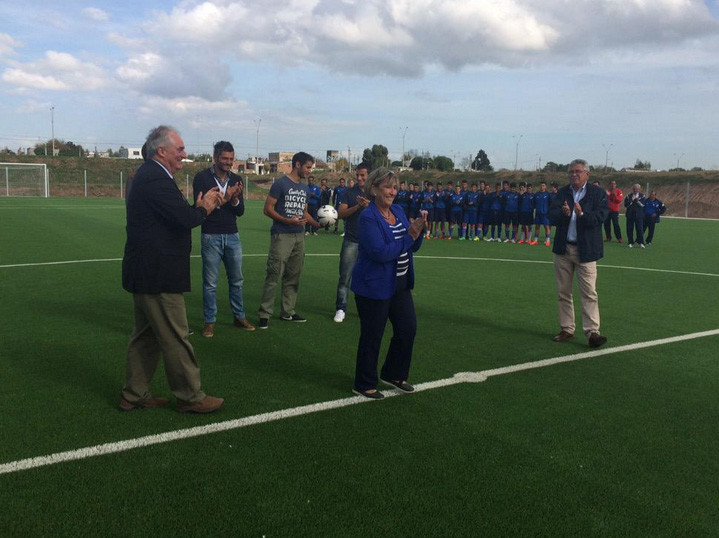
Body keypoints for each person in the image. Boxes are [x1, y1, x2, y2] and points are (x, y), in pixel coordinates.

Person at [121, 125, 225, 413]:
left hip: (146, 271)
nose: (184, 154)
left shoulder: (151, 175)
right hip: (158, 274)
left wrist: (199, 208)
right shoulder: (155, 177)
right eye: (179, 149)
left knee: (146, 338)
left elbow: (174, 217)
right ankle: (191, 397)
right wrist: (205, 207)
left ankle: (133, 395)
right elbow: (184, 219)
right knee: (176, 337)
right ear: (161, 150)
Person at [351, 167, 427, 399]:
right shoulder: (368, 217)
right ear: (373, 189)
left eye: (395, 187)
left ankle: (393, 373)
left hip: (400, 284)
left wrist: (419, 231)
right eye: (387, 187)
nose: (392, 191)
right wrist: (409, 236)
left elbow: (412, 246)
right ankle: (364, 383)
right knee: (372, 335)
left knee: (407, 329)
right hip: (374, 286)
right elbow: (380, 253)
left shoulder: (398, 210)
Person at [192, 141, 255, 338]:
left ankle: (239, 316)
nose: (229, 162)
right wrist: (226, 198)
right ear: (215, 158)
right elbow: (202, 209)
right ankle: (210, 321)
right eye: (225, 159)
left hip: (232, 235)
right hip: (210, 235)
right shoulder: (201, 178)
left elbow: (241, 211)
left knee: (237, 280)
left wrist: (235, 199)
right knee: (210, 283)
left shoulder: (236, 179)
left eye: (231, 159)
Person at [548, 159, 609, 349]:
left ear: (587, 174)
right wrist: (564, 214)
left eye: (578, 171)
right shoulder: (562, 193)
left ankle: (592, 333)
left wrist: (582, 215)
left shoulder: (597, 194)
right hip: (563, 249)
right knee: (563, 292)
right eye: (571, 172)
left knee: (589, 292)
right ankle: (567, 328)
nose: (574, 175)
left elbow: (600, 218)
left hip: (587, 251)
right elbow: (551, 216)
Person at [257, 152, 321, 329]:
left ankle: (288, 312)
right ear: (298, 164)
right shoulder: (280, 184)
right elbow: (267, 209)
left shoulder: (305, 188)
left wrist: (317, 223)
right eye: (308, 167)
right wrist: (286, 220)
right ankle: (265, 314)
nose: (309, 171)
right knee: (274, 274)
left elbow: (304, 211)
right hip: (281, 235)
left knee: (293, 275)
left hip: (299, 236)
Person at [334, 162, 371, 323]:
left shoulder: (376, 193)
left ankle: (366, 309)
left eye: (362, 175)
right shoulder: (349, 192)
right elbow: (340, 214)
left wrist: (370, 207)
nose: (359, 177)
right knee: (345, 276)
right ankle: (341, 308)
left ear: (370, 175)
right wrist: (358, 207)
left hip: (370, 242)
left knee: (368, 278)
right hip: (352, 239)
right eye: (357, 174)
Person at [624, 183, 646, 248]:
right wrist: (631, 201)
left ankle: (641, 242)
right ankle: (630, 242)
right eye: (634, 189)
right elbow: (626, 205)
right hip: (630, 215)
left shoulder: (642, 196)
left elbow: (643, 205)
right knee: (629, 229)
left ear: (639, 189)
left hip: (639, 215)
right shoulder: (628, 196)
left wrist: (637, 201)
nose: (635, 190)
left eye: (637, 189)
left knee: (640, 229)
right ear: (632, 189)